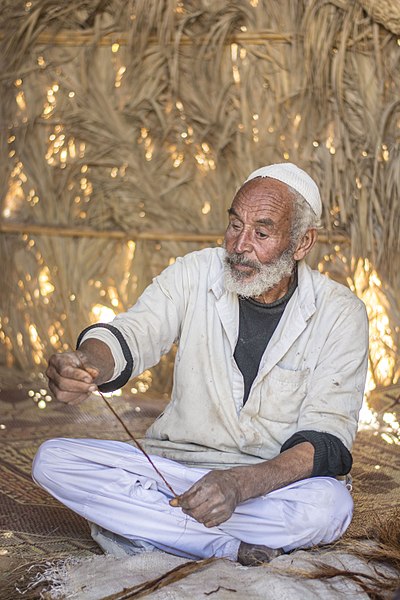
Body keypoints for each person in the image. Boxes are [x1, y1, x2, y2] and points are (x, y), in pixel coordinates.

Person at [32, 163, 369, 566]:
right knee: (53, 461)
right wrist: (88, 362)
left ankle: (157, 530)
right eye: (234, 225)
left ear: (301, 243)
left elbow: (329, 438)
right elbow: (135, 332)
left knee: (329, 507)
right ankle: (225, 546)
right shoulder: (196, 272)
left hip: (266, 485)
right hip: (175, 469)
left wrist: (241, 484)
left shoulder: (341, 313)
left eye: (261, 233)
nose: (240, 245)